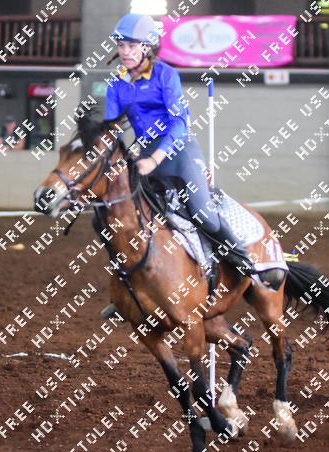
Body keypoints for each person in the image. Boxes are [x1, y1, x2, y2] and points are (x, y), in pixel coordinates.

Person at [104, 13, 255, 276]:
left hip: (179, 152)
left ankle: (246, 262)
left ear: (147, 47)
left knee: (203, 215)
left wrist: (155, 159)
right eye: (121, 45)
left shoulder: (166, 75)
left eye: (131, 45)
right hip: (144, 156)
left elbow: (179, 123)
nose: (125, 51)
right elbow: (111, 129)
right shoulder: (116, 84)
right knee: (129, 216)